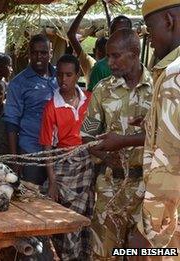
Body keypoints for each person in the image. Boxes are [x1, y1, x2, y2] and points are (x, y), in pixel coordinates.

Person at [80, 28, 153, 259]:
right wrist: (102, 154)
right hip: (110, 187)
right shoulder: (103, 89)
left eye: (115, 56)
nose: (109, 62)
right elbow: (87, 135)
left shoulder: (158, 89)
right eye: (108, 56)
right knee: (104, 254)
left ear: (134, 53)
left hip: (147, 191)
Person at [129, 0, 180, 251]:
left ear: (169, 21)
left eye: (150, 31)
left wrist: (147, 232)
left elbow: (169, 163)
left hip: (171, 226)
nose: (151, 41)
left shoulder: (174, 75)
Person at [39, 54, 93, 260]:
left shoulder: (89, 99)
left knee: (84, 218)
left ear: (77, 74)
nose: (63, 80)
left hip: (86, 165)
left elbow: (91, 136)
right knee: (64, 220)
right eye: (59, 75)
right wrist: (52, 181)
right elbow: (47, 146)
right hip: (64, 166)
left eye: (69, 75)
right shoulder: (51, 106)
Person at [4, 34, 58, 186]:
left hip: (59, 152)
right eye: (34, 53)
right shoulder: (18, 83)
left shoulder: (60, 78)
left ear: (51, 53)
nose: (38, 56)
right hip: (31, 152)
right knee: (31, 199)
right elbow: (11, 122)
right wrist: (15, 159)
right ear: (29, 54)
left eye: (43, 52)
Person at [67, 0, 108, 87]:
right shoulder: (90, 64)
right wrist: (86, 6)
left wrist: (105, 6)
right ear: (94, 51)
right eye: (101, 52)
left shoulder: (115, 66)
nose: (103, 57)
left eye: (106, 54)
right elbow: (71, 35)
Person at [87, 15, 133, 91]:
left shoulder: (136, 66)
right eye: (116, 33)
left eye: (124, 32)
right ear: (110, 35)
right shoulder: (100, 68)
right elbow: (92, 98)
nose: (120, 37)